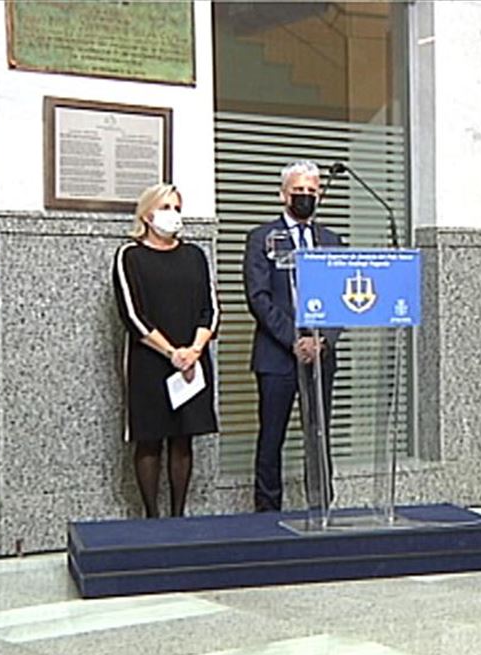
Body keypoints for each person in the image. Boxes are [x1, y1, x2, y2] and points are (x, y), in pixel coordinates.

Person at [112, 184, 219, 518]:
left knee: (183, 437)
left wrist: (193, 350)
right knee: (150, 438)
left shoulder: (195, 255)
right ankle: (151, 517)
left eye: (177, 207)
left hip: (192, 360)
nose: (173, 214)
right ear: (147, 214)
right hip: (150, 359)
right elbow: (132, 314)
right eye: (165, 207)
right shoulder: (129, 255)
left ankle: (178, 515)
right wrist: (171, 352)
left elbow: (210, 308)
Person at [244, 160, 343, 512]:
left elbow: (340, 299)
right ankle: (267, 513)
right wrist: (294, 340)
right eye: (298, 191)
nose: (305, 197)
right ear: (282, 195)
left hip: (320, 355)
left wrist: (323, 341)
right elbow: (258, 297)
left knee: (319, 434)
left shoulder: (332, 241)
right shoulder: (262, 238)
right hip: (277, 354)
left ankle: (321, 506)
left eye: (311, 192)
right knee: (272, 436)